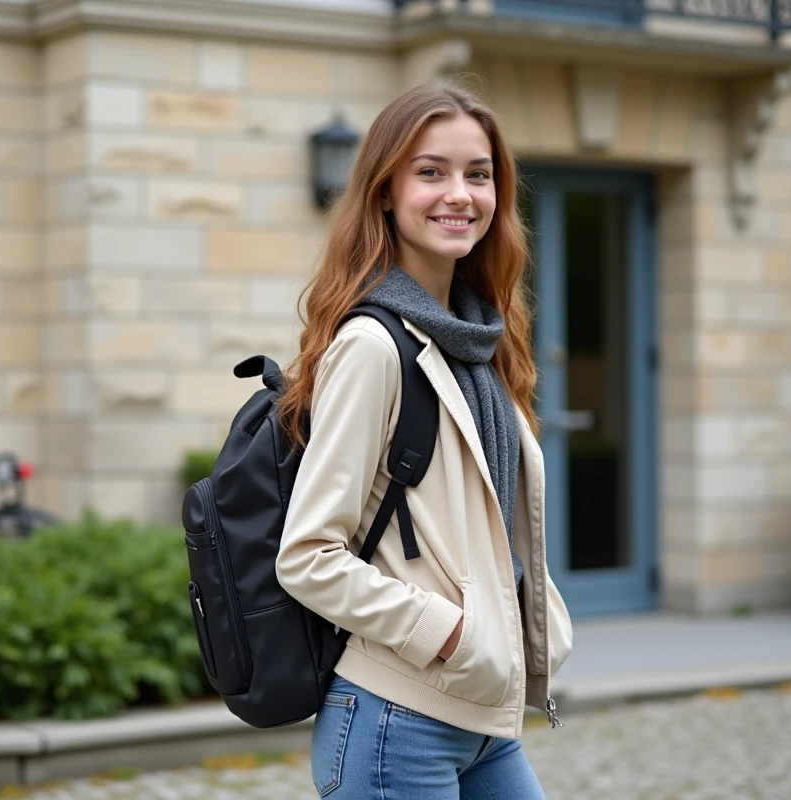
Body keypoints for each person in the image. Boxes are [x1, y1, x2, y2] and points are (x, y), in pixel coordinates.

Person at [274, 83, 574, 799]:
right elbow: (308, 555)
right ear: (385, 191)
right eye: (431, 172)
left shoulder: (480, 341)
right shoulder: (374, 345)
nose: (460, 194)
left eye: (478, 174)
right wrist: (450, 635)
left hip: (481, 723)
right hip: (394, 724)